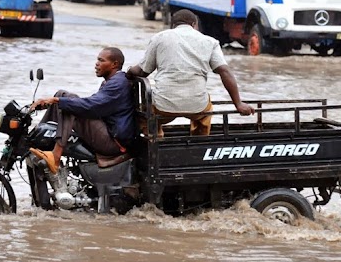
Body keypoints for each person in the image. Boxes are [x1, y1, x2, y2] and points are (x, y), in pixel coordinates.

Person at [126, 9, 254, 137]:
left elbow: (142, 71)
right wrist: (238, 104)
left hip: (163, 105)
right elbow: (224, 71)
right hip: (197, 106)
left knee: (145, 112)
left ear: (173, 25)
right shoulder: (210, 42)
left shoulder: (160, 38)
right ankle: (199, 140)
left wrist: (130, 71)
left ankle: (156, 139)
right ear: (194, 24)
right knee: (205, 113)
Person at [28, 46, 136, 174]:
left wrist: (57, 101)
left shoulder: (118, 83)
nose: (96, 64)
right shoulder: (112, 81)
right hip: (108, 132)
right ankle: (40, 142)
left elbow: (91, 106)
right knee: (62, 95)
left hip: (114, 143)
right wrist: (52, 102)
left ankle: (56, 156)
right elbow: (94, 103)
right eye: (97, 60)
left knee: (66, 100)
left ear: (114, 64)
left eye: (101, 60)